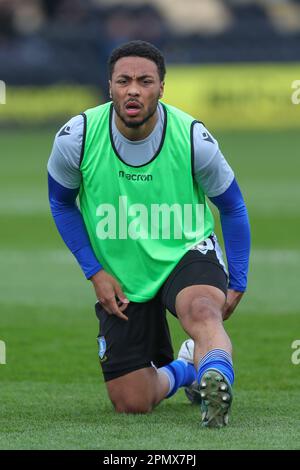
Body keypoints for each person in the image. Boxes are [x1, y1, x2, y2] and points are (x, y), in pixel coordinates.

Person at [47, 40, 250, 428]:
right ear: (110, 87)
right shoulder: (77, 137)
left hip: (185, 252)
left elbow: (233, 206)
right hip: (121, 270)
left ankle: (217, 386)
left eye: (145, 81)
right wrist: (94, 271)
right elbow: (61, 204)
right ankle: (189, 368)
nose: (134, 89)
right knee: (132, 401)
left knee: (204, 311)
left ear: (161, 87)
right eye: (124, 81)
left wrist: (238, 278)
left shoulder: (192, 138)